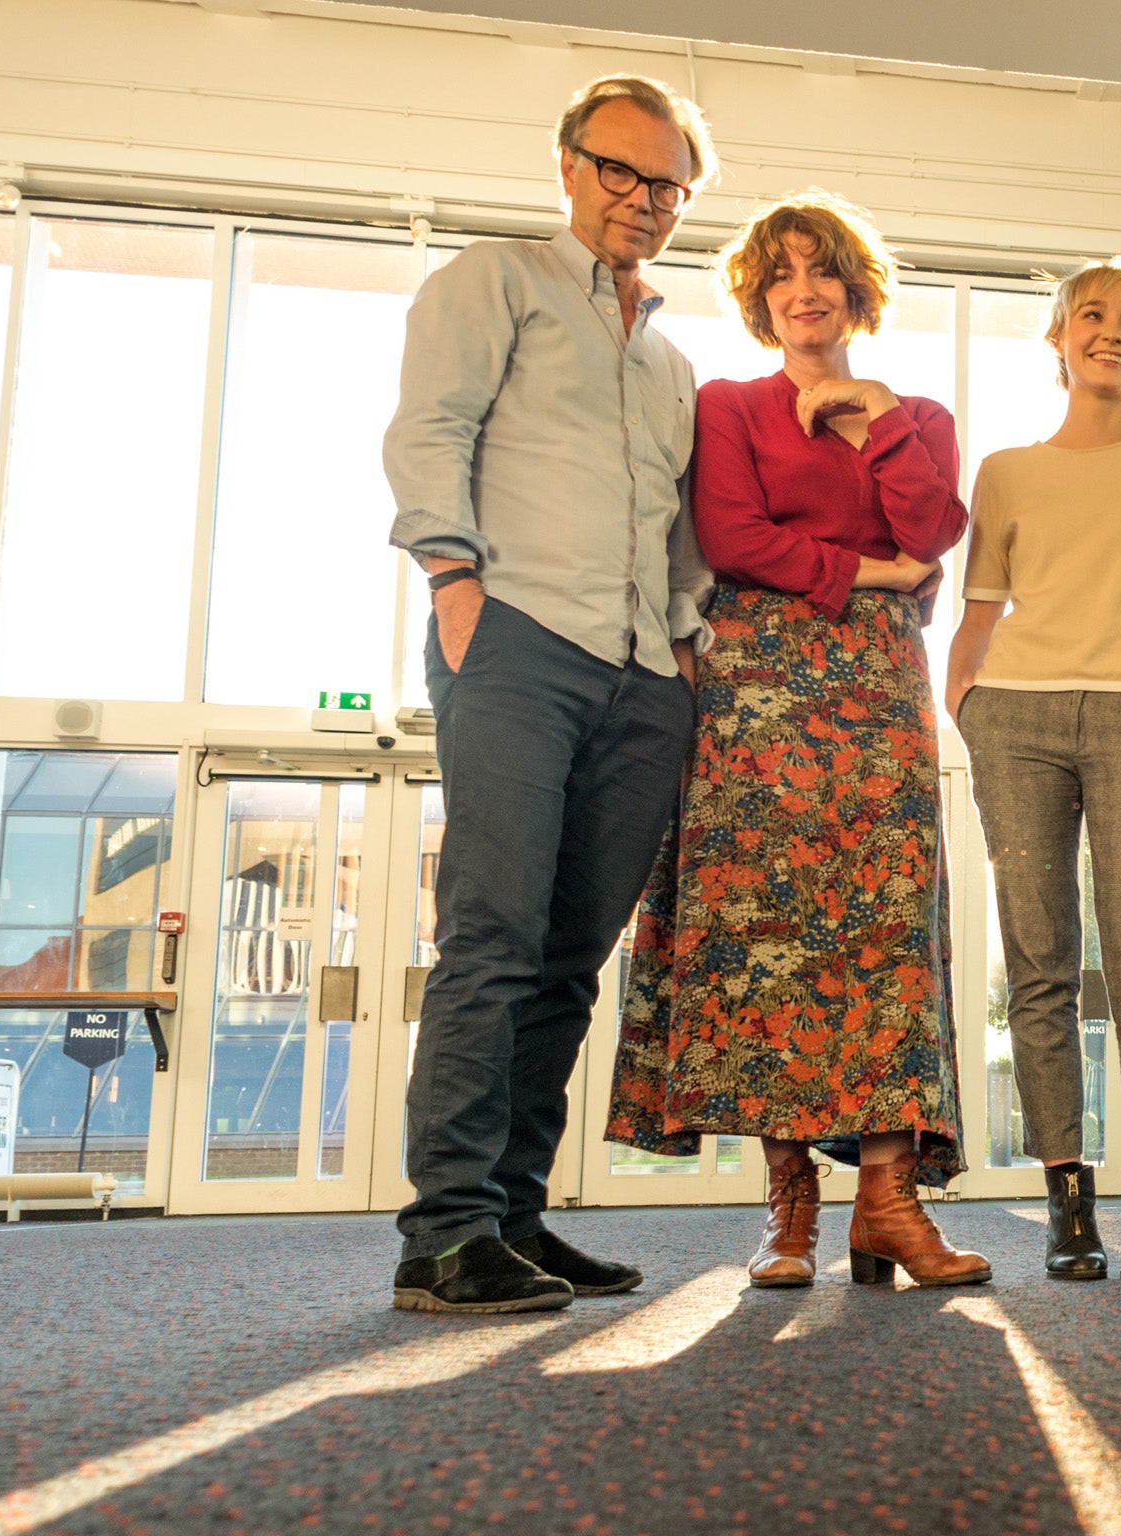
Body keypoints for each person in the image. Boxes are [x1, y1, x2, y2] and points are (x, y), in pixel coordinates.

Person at [607, 190, 988, 1291]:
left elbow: (931, 529)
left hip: (875, 690)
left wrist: (869, 423)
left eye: (820, 272)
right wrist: (865, 573)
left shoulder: (914, 414)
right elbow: (731, 537)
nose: (802, 292)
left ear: (855, 291)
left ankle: (889, 1203)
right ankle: (789, 1216)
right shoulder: (726, 404)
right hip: (756, 686)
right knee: (764, 923)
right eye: (779, 276)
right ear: (758, 298)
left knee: (882, 926)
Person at [381, 75, 717, 1314]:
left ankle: (513, 1216)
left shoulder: (673, 359)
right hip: (516, 636)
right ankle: (445, 1232)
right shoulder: (495, 282)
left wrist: (680, 646)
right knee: (492, 940)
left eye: (665, 183)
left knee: (571, 962)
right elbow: (431, 430)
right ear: (569, 165)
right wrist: (451, 578)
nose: (640, 198)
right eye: (619, 170)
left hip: (641, 676)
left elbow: (679, 522)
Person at [946, 259, 1121, 1282]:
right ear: (1060, 338)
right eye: (1093, 316)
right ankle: (1066, 1197)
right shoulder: (1007, 470)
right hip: (1013, 720)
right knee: (1037, 965)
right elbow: (978, 609)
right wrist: (965, 703)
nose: (1112, 332)